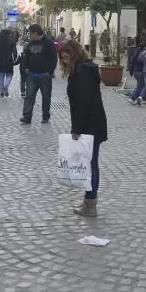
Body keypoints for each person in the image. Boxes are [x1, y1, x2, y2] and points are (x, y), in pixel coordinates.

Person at [59, 40, 108, 218]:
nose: (64, 61)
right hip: (92, 123)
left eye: (66, 57)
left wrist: (77, 129)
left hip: (91, 125)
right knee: (90, 163)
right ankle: (88, 201)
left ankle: (90, 205)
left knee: (90, 164)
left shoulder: (82, 72)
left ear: (75, 54)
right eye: (62, 58)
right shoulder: (83, 69)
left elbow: (84, 103)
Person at [20, 24, 58, 124]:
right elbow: (26, 56)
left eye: (31, 34)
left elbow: (54, 58)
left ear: (36, 33)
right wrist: (26, 68)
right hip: (31, 75)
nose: (30, 36)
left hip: (44, 76)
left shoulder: (49, 43)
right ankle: (27, 117)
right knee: (29, 96)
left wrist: (49, 71)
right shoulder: (30, 43)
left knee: (46, 96)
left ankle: (45, 116)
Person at [0, 29, 18, 97]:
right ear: (9, 34)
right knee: (9, 76)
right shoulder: (12, 42)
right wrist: (14, 59)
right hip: (8, 62)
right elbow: (15, 52)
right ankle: (5, 87)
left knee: (1, 77)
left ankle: (1, 92)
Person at [128, 41, 146, 105]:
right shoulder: (144, 54)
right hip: (141, 72)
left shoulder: (136, 52)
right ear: (144, 47)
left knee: (141, 85)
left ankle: (143, 97)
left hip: (135, 72)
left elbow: (132, 62)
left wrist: (131, 71)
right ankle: (133, 98)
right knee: (140, 86)